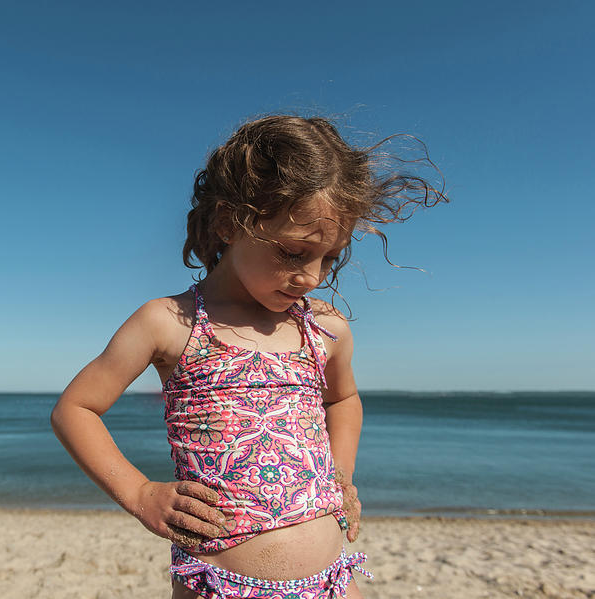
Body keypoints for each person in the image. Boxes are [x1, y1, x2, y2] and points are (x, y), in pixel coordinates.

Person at [51, 114, 446, 599]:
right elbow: (76, 409)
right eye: (294, 252)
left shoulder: (324, 329)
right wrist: (139, 494)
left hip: (332, 582)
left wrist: (341, 475)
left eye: (330, 256)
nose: (312, 276)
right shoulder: (170, 323)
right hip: (221, 585)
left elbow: (343, 401)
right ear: (228, 222)